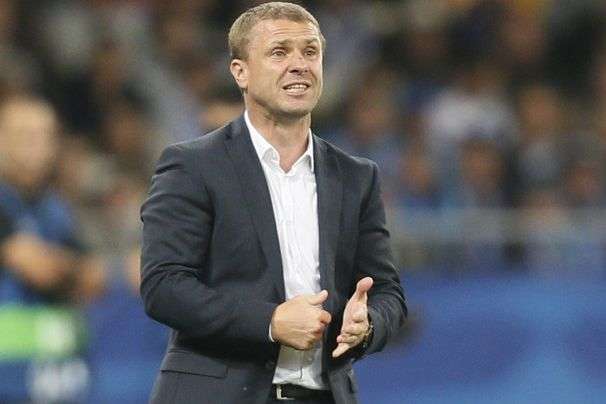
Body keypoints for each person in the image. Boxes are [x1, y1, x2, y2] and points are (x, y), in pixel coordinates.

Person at [140, 3, 406, 403]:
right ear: (240, 72)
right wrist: (271, 321)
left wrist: (367, 325)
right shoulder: (193, 166)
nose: (299, 64)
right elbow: (164, 286)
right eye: (280, 52)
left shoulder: (356, 177)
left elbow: (388, 293)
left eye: (310, 51)